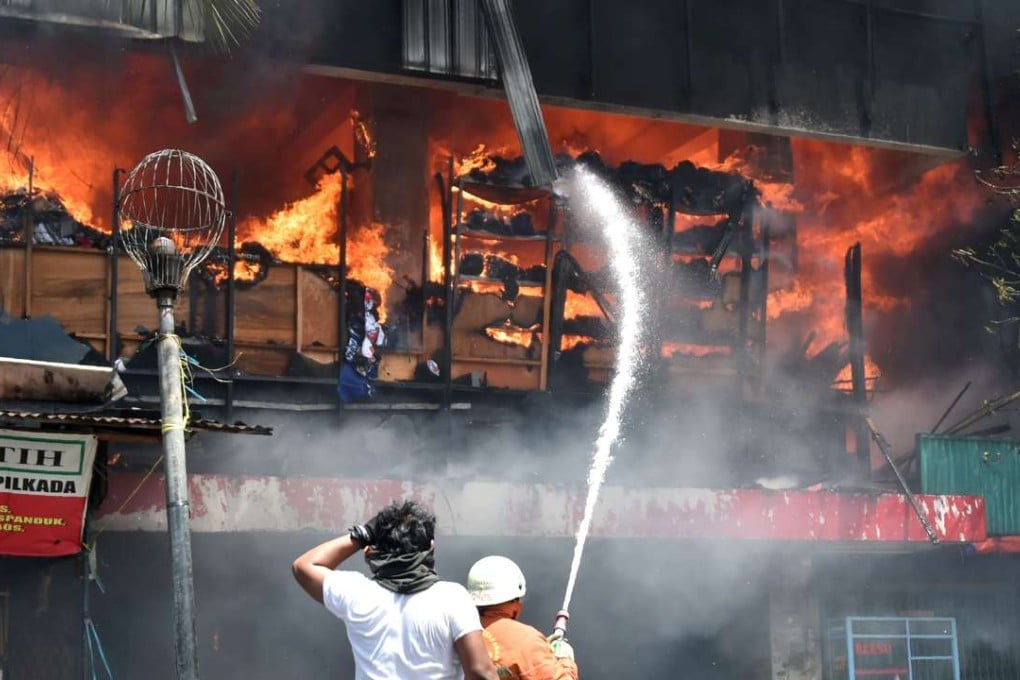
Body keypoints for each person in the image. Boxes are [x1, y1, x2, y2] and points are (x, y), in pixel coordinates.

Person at [292, 500, 499, 680]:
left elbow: (304, 566)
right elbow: (480, 672)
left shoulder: (356, 594)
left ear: (372, 550)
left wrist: (363, 534)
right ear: (431, 546)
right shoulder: (453, 598)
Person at [465, 556, 578, 680]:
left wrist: (542, 649)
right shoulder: (526, 640)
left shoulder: (457, 632)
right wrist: (565, 660)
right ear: (515, 600)